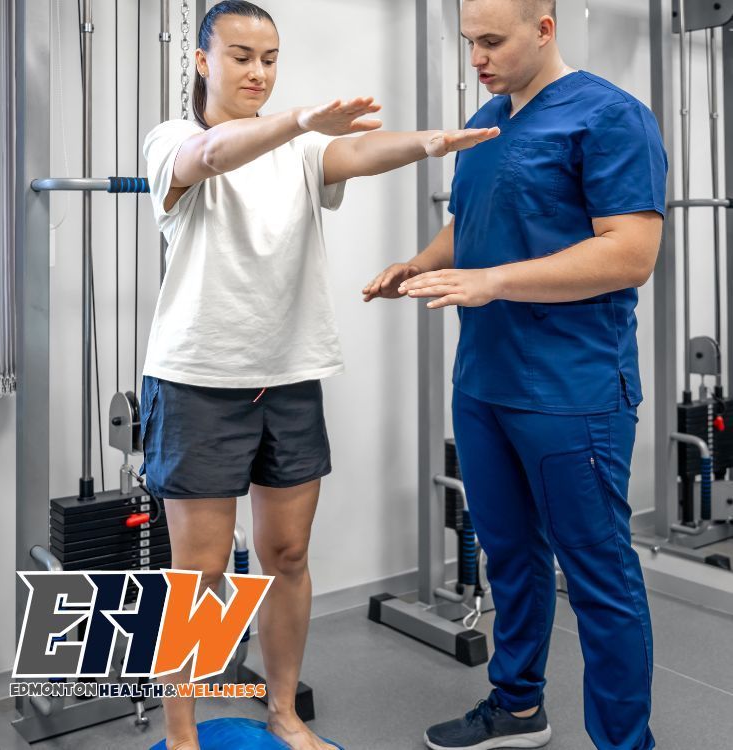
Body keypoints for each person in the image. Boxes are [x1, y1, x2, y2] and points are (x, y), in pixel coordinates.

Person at [140, 2, 499, 749]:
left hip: (291, 376)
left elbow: (360, 154)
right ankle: (181, 737)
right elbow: (211, 160)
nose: (257, 72)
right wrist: (302, 119)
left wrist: (434, 141)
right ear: (202, 61)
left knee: (288, 556)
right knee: (198, 575)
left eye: (269, 59)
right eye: (240, 56)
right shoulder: (175, 139)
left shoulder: (299, 150)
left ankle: (283, 711)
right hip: (200, 381)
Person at [364, 1, 667, 749]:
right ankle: (519, 706)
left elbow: (631, 252)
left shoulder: (610, 116)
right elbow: (475, 217)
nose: (479, 57)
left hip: (571, 390)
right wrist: (422, 263)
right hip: (485, 383)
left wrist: (494, 280)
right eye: (471, 42)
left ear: (545, 28)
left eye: (493, 41)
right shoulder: (491, 119)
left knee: (598, 574)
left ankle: (626, 743)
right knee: (508, 556)